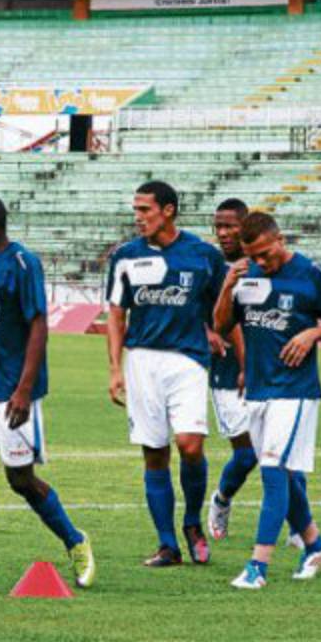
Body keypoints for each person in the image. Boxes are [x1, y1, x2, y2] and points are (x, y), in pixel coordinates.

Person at [0, 195, 95, 590]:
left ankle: (74, 539)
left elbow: (38, 325)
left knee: (20, 480)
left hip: (12, 389)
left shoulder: (22, 264)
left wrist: (24, 390)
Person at [213, 211, 321, 589]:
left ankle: (258, 567)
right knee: (285, 476)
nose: (260, 262)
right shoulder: (246, 277)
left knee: (272, 470)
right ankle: (316, 546)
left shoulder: (312, 273)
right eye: (252, 256)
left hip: (296, 391)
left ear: (280, 240)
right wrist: (226, 287)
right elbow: (222, 324)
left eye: (264, 254)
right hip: (257, 389)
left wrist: (311, 334)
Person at [105, 181, 227, 567]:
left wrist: (216, 332)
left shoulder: (204, 256)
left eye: (145, 210)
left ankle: (193, 523)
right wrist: (114, 368)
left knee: (190, 444)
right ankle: (167, 544)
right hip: (141, 360)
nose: (138, 217)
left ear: (169, 210)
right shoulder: (125, 257)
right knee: (154, 452)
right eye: (136, 210)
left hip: (187, 360)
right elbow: (115, 314)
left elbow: (223, 309)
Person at [206, 199, 303, 549]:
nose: (223, 233)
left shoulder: (268, 267)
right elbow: (202, 315)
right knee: (247, 455)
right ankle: (221, 499)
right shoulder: (213, 266)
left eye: (231, 226)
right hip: (227, 374)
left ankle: (299, 527)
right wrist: (208, 332)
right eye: (218, 226)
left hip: (270, 376)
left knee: (283, 455)